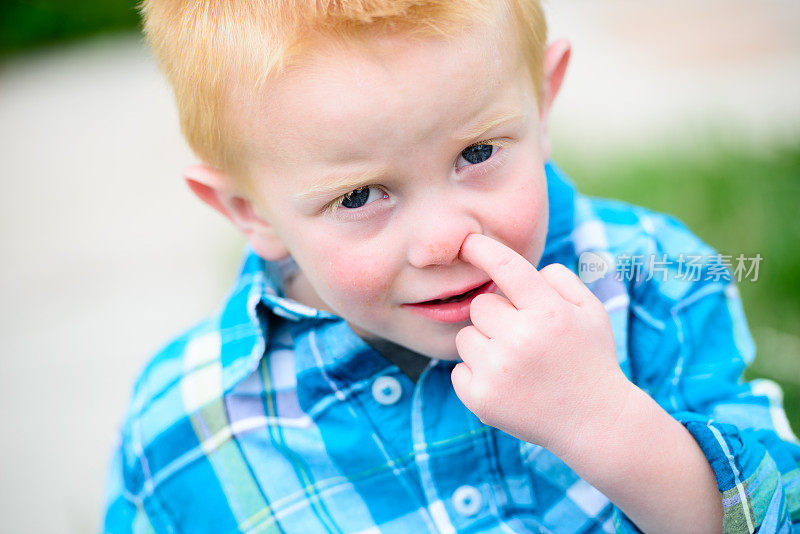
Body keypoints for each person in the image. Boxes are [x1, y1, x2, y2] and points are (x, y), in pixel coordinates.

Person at [101, 1, 800, 532]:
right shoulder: (187, 434)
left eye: (477, 153)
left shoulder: (656, 280)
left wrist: (606, 421)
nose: (444, 240)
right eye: (357, 196)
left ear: (543, 99)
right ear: (248, 210)